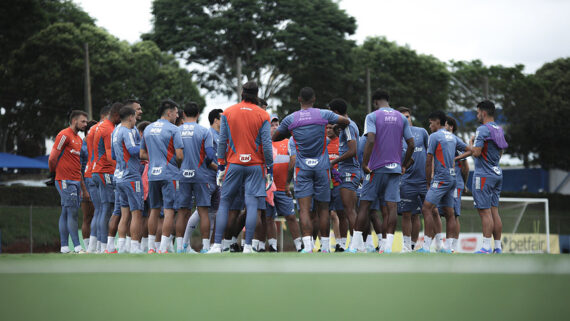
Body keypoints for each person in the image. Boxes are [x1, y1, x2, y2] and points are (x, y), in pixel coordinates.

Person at [273, 87, 349, 253]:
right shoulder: (323, 114)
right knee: (324, 209)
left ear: (299, 99)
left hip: (303, 169)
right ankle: (325, 247)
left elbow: (275, 137)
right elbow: (346, 121)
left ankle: (307, 247)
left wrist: (290, 132)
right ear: (314, 99)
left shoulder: (290, 118)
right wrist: (334, 124)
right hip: (322, 168)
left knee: (305, 209)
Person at [208, 81, 273, 254]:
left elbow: (223, 141)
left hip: (233, 164)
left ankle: (216, 246)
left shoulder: (228, 112)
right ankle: (248, 246)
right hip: (255, 165)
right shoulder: (263, 114)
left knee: (225, 204)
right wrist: (269, 167)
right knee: (252, 205)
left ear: (242, 93)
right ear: (257, 94)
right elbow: (267, 145)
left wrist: (221, 164)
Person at [348, 89, 414, 253]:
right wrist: (403, 165)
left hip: (375, 168)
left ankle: (355, 246)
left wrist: (365, 163)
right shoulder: (400, 117)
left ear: (376, 101)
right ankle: (387, 248)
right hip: (395, 168)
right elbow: (411, 144)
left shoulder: (372, 116)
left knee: (364, 206)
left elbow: (370, 139)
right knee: (391, 208)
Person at [457, 100, 507, 254]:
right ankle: (497, 247)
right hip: (497, 173)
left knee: (484, 212)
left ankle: (486, 247)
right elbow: (501, 151)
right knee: (494, 211)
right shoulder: (498, 129)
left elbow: (477, 152)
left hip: (483, 175)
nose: (477, 115)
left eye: (478, 112)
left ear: (484, 113)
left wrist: (471, 143)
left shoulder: (482, 129)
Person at [417, 111, 466, 253]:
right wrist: (456, 160)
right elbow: (470, 150)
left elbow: (428, 160)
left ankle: (426, 247)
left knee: (426, 208)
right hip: (452, 178)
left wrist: (428, 182)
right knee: (449, 212)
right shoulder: (452, 136)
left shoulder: (434, 136)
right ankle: (448, 248)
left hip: (440, 178)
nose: (429, 124)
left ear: (437, 122)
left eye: (431, 122)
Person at [140, 99, 184, 253]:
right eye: (176, 112)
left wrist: (155, 159)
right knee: (169, 210)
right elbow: (179, 155)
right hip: (169, 173)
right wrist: (174, 163)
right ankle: (164, 247)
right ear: (169, 112)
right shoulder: (174, 129)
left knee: (153, 209)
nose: (177, 116)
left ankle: (151, 247)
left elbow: (142, 153)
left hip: (152, 174)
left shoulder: (147, 129)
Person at [176, 102, 216, 253]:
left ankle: (180, 248)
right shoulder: (205, 131)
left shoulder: (177, 130)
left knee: (182, 211)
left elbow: (175, 154)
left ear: (184, 114)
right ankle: (205, 248)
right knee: (203, 211)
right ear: (198, 114)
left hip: (182, 174)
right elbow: (210, 155)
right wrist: (204, 164)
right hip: (200, 174)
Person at [182, 108, 222, 252]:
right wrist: (219, 170)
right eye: (222, 118)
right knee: (201, 211)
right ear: (216, 120)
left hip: (217, 180)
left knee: (211, 213)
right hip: (207, 178)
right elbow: (207, 159)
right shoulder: (208, 133)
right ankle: (184, 244)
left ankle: (207, 248)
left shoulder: (221, 135)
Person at [48, 110, 88, 253]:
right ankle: (77, 247)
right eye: (83, 121)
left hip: (75, 180)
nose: (85, 124)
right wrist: (53, 174)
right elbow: (52, 157)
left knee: (66, 212)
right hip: (65, 180)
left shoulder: (78, 139)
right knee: (72, 212)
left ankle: (64, 247)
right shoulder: (64, 135)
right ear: (74, 121)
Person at [264, 115, 302, 252]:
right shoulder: (264, 144)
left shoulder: (288, 142)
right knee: (268, 218)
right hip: (267, 189)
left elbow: (293, 161)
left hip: (283, 189)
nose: (275, 127)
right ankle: (273, 246)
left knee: (291, 217)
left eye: (277, 124)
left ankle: (299, 246)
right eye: (271, 125)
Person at [329, 98, 361, 250]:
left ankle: (356, 245)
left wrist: (334, 162)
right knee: (346, 210)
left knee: (349, 210)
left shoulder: (348, 126)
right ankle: (350, 244)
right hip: (348, 170)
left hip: (349, 170)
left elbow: (353, 150)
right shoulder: (347, 125)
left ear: (336, 112)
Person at [112, 106, 145, 253]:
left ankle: (122, 247)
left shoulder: (115, 131)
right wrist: (145, 146)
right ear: (131, 117)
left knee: (124, 214)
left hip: (118, 176)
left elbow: (113, 155)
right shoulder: (127, 131)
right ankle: (135, 247)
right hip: (131, 176)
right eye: (135, 116)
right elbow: (132, 150)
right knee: (136, 212)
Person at [396, 107, 429, 253]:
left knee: (423, 214)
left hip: (423, 181)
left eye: (408, 116)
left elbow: (430, 155)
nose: (406, 119)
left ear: (411, 118)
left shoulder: (422, 132)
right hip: (406, 181)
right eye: (403, 117)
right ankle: (406, 246)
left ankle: (419, 246)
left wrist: (431, 176)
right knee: (407, 214)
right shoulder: (395, 136)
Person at [92, 102, 122, 253]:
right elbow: (110, 156)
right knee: (107, 208)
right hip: (105, 171)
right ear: (116, 115)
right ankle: (105, 246)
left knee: (101, 209)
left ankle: (97, 246)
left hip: (96, 170)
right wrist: (122, 167)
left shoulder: (99, 126)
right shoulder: (109, 129)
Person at [441, 116, 469, 253]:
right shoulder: (441, 140)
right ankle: (442, 245)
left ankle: (453, 247)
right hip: (441, 182)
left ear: (451, 127)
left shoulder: (456, 142)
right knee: (442, 214)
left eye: (444, 124)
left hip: (455, 184)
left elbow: (465, 166)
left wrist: (464, 183)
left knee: (454, 214)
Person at [84, 106, 110, 253]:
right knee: (103, 210)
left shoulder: (92, 129)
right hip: (99, 170)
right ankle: (100, 246)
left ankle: (94, 246)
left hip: (90, 171)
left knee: (99, 211)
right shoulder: (103, 129)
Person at [79, 119, 98, 250]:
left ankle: (95, 245)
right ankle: (88, 247)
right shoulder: (82, 147)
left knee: (98, 214)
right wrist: (83, 189)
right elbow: (78, 169)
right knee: (88, 217)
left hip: (96, 183)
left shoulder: (96, 144)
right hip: (86, 184)